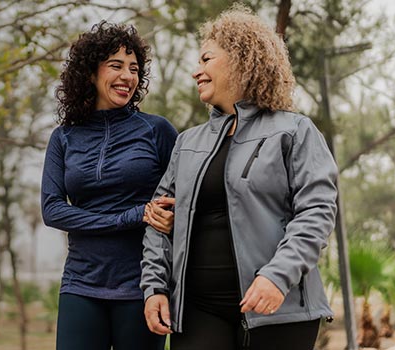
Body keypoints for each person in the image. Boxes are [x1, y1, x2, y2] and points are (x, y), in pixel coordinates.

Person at [138, 5, 338, 349]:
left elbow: (317, 212)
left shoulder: (294, 131)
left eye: (205, 60)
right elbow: (160, 220)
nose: (196, 71)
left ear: (241, 60)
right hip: (198, 311)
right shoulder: (187, 143)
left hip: (279, 307)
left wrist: (277, 277)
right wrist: (154, 286)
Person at [41, 21, 176, 350]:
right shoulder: (64, 137)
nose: (128, 76)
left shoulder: (157, 131)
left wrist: (171, 220)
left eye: (134, 68)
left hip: (141, 286)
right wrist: (129, 216)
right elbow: (52, 210)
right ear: (90, 72)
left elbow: (180, 202)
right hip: (80, 283)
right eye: (116, 65)